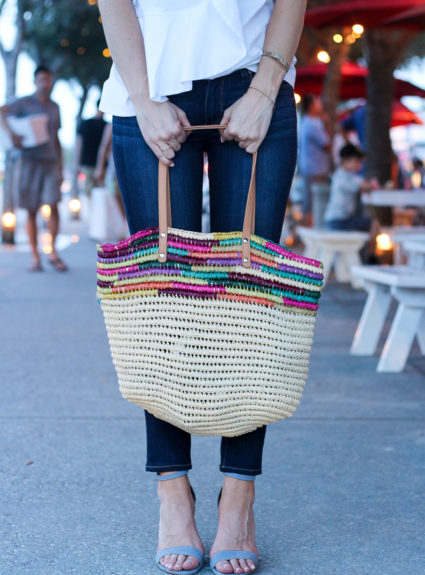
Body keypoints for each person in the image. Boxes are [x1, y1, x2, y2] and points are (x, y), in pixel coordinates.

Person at [98, 1, 307, 573]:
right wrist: (142, 101)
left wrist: (266, 91)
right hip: (149, 87)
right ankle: (174, 492)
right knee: (159, 304)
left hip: (255, 81)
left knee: (254, 304)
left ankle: (239, 498)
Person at [0, 65, 66, 272]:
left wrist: (61, 166)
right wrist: (11, 134)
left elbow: (56, 137)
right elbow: (2, 112)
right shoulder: (24, 102)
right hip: (28, 161)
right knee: (31, 210)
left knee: (53, 204)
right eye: (41, 80)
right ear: (35, 81)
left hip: (50, 161)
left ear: (52, 81)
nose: (45, 84)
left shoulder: (55, 107)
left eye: (48, 80)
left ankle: (53, 251)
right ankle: (35, 257)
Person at [325, 144, 380, 256]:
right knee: (374, 223)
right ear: (345, 160)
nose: (359, 165)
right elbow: (367, 186)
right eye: (357, 161)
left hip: (336, 220)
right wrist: (372, 184)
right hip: (339, 222)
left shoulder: (340, 175)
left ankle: (365, 254)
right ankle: (370, 255)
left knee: (366, 223)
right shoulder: (344, 176)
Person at [298, 94, 331, 226]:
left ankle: (307, 231)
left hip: (312, 168)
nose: (320, 104)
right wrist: (327, 124)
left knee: (310, 201)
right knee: (313, 202)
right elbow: (327, 144)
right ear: (311, 106)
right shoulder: (313, 124)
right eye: (317, 102)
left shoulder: (308, 121)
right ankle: (309, 231)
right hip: (315, 169)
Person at [73, 102, 107, 197]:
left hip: (91, 164)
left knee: (90, 192)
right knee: (95, 192)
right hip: (96, 165)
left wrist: (77, 164)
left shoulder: (86, 123)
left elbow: (79, 144)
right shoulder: (105, 126)